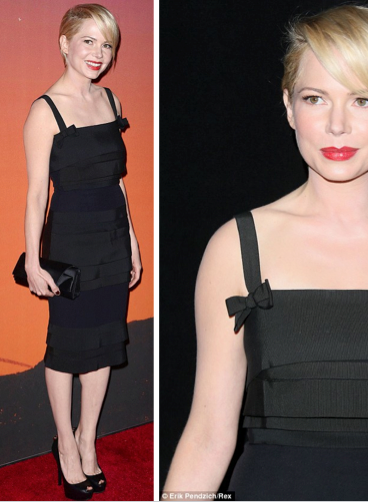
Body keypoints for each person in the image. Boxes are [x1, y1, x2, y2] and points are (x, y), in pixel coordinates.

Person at [163, 4, 368, 501]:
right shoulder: (237, 245)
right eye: (316, 98)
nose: (337, 125)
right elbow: (208, 432)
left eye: (362, 100)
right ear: (290, 107)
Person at [23, 4, 141, 500]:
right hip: (70, 240)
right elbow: (34, 195)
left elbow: (118, 181)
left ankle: (87, 442)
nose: (98, 53)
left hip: (113, 238)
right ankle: (64, 447)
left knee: (102, 346)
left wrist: (133, 240)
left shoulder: (111, 100)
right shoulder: (43, 110)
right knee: (67, 346)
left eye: (107, 44)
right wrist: (32, 260)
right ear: (64, 43)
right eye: (88, 41)